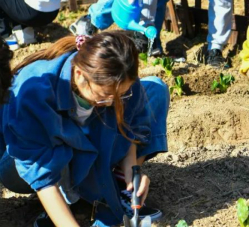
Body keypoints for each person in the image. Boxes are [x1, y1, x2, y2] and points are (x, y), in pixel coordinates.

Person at [0, 31, 169, 227]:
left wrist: (132, 171)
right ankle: (66, 203)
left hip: (84, 150)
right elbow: (42, 175)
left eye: (119, 96)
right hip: (20, 163)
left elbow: (129, 125)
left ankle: (116, 184)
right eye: (104, 96)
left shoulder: (120, 77)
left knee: (155, 89)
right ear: (80, 75)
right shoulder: (35, 92)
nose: (111, 104)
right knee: (63, 143)